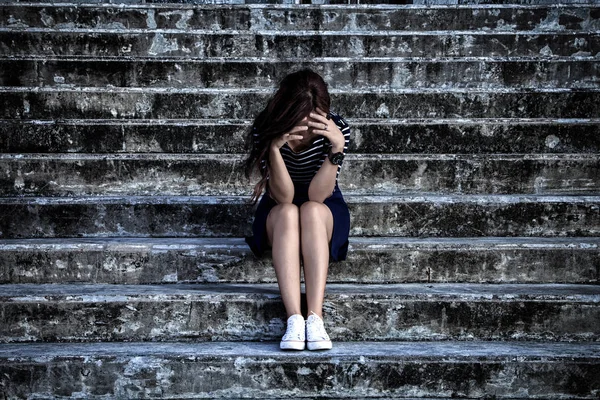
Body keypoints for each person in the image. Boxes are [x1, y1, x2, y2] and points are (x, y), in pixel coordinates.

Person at [244, 69, 351, 351]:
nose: (306, 124)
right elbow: (284, 196)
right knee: (291, 211)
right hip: (280, 208)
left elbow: (318, 195)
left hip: (324, 205)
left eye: (314, 115)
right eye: (300, 114)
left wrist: (337, 146)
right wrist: (275, 148)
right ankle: (294, 319)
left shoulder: (336, 130)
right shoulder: (266, 128)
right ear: (286, 109)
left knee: (312, 210)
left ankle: (315, 318)